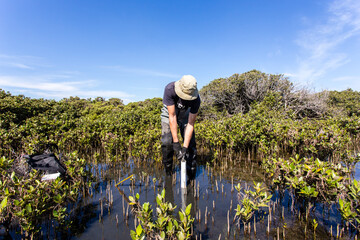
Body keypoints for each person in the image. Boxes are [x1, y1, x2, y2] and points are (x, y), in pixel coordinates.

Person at [161, 75, 201, 175]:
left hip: (185, 113)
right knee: (167, 142)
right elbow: (172, 116)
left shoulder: (196, 99)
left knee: (191, 144)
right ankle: (168, 170)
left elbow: (190, 124)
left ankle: (191, 172)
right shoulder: (170, 89)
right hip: (170, 113)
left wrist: (184, 147)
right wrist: (176, 143)